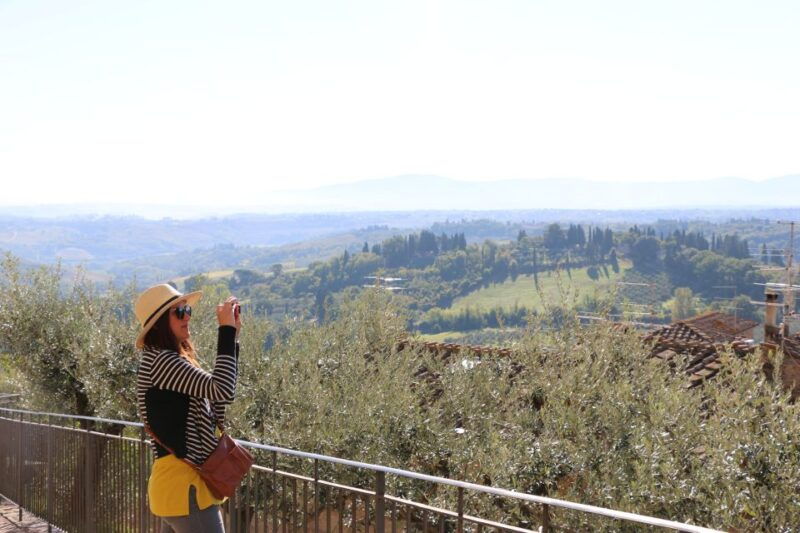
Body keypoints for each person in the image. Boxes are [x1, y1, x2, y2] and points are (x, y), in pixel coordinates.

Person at [134, 283, 241, 533]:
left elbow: (216, 402)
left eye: (187, 310)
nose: (187, 317)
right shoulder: (161, 362)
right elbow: (222, 389)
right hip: (185, 489)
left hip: (179, 488)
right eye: (179, 312)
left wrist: (233, 336)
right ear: (159, 323)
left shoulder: (166, 360)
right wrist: (225, 331)